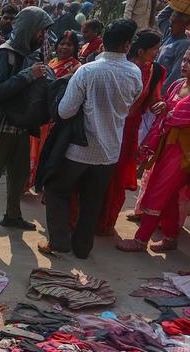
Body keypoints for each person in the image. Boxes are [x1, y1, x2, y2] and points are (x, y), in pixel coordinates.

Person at [41, 19, 142, 258]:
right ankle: (83, 248)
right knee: (92, 200)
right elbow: (132, 103)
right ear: (127, 46)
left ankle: (59, 242)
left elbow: (65, 110)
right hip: (109, 151)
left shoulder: (87, 71)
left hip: (79, 149)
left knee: (56, 190)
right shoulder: (134, 72)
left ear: (101, 43)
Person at [118, 41, 190, 253]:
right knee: (168, 195)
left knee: (158, 192)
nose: (184, 64)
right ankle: (170, 237)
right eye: (184, 59)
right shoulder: (178, 85)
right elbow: (169, 110)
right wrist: (164, 106)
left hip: (184, 152)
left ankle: (140, 240)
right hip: (166, 145)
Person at [0, 6, 52, 236]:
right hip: (1, 127)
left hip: (22, 127)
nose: (43, 36)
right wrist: (28, 76)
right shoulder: (3, 54)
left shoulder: (31, 55)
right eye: (40, 31)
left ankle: (12, 216)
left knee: (19, 177)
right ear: (29, 29)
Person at [99, 28, 165, 236]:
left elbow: (154, 100)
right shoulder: (119, 65)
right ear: (140, 50)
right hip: (109, 122)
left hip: (129, 129)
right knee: (100, 169)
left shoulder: (155, 71)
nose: (157, 52)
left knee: (116, 174)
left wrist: (162, 106)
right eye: (155, 48)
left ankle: (105, 220)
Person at [29, 29, 80, 189]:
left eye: (69, 45)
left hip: (55, 116)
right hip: (40, 112)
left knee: (45, 149)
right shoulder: (51, 62)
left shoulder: (77, 67)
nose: (64, 47)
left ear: (75, 48)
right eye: (62, 44)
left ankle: (40, 181)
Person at [156, 11, 190, 91]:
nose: (170, 25)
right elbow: (161, 17)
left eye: (175, 22)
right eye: (171, 21)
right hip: (155, 84)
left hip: (161, 89)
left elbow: (176, 73)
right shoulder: (169, 35)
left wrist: (162, 92)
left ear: (186, 25)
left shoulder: (183, 44)